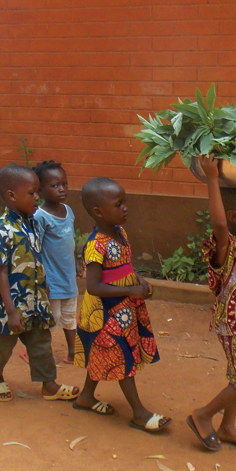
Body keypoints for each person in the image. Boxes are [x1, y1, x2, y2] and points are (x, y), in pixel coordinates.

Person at [186, 155, 236, 452]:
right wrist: (212, 178)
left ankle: (228, 427)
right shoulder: (228, 245)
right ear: (234, 217)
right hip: (234, 325)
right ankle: (202, 416)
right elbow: (219, 222)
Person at [73, 177, 168, 433]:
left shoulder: (120, 233)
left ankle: (86, 397)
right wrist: (130, 290)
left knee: (102, 353)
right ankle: (139, 413)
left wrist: (140, 280)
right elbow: (93, 286)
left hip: (124, 307)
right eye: (119, 204)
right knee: (120, 356)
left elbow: (124, 267)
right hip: (105, 312)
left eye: (124, 202)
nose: (125, 208)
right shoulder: (95, 246)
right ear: (98, 212)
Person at [0, 164, 78, 403]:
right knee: (1, 347)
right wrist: (11, 312)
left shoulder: (32, 222)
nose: (37, 197)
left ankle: (49, 385)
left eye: (37, 192)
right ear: (11, 195)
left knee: (41, 344)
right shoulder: (3, 230)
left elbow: (36, 256)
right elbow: (0, 274)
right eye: (32, 193)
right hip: (9, 306)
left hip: (34, 301)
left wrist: (42, 283)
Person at [32, 160, 81, 364]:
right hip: (50, 281)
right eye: (54, 185)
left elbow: (71, 241)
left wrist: (77, 260)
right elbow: (35, 248)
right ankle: (38, 354)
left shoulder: (68, 210)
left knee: (70, 318)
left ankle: (73, 352)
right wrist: (41, 279)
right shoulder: (40, 216)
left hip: (68, 279)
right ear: (41, 190)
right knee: (49, 320)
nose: (61, 189)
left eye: (64, 184)